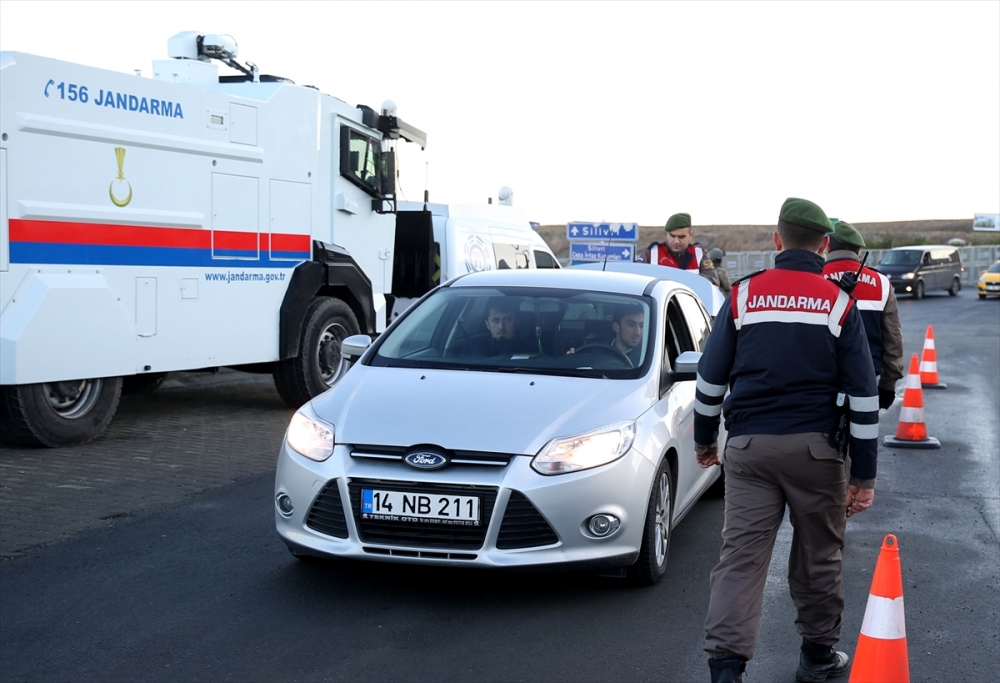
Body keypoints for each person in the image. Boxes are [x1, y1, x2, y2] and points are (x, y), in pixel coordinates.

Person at [692, 198, 879, 683]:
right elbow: (863, 397)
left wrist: (703, 439)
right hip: (817, 453)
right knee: (818, 555)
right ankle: (817, 658)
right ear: (823, 245)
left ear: (776, 241)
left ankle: (726, 672)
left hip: (750, 448)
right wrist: (863, 474)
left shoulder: (744, 296)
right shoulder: (840, 303)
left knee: (741, 560)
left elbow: (710, 379)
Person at [822, 221, 903, 410]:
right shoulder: (882, 284)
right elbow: (893, 341)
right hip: (864, 384)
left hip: (818, 384)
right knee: (864, 437)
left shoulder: (814, 278)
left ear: (827, 245)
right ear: (859, 249)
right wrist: (887, 386)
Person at [642, 213, 720, 286]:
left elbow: (713, 282)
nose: (676, 241)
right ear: (667, 234)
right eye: (672, 236)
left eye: (681, 237)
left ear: (690, 235)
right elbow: (636, 278)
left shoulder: (699, 255)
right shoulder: (651, 253)